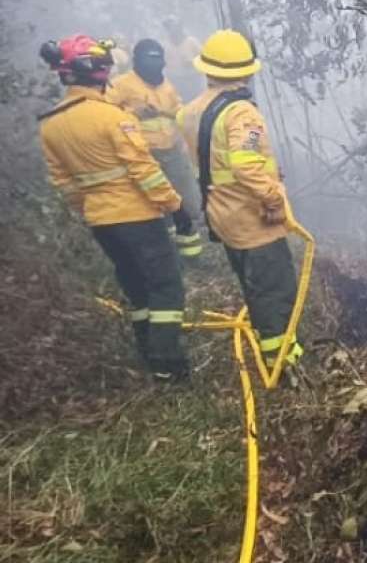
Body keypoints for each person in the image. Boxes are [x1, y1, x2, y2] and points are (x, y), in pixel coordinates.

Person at [37, 34, 190, 380]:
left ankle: (149, 354)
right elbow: (143, 169)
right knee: (166, 285)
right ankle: (168, 364)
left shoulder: (51, 125)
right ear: (97, 71)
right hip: (137, 216)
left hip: (101, 221)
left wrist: (92, 207)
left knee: (135, 286)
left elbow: (64, 183)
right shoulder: (111, 117)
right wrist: (175, 206)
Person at [177, 29, 303, 367]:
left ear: (207, 70)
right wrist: (273, 198)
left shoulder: (190, 111)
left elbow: (212, 162)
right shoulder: (242, 114)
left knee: (254, 284)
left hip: (221, 212)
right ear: (246, 71)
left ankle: (271, 344)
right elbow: (246, 166)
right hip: (252, 217)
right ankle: (282, 362)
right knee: (274, 288)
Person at [106, 39, 204, 259]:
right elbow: (106, 116)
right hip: (145, 155)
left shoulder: (166, 86)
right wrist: (135, 114)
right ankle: (169, 253)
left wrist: (185, 117)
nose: (155, 65)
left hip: (174, 151)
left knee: (189, 202)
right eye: (149, 59)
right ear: (137, 61)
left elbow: (178, 111)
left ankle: (191, 253)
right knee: (160, 206)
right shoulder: (121, 85)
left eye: (158, 59)